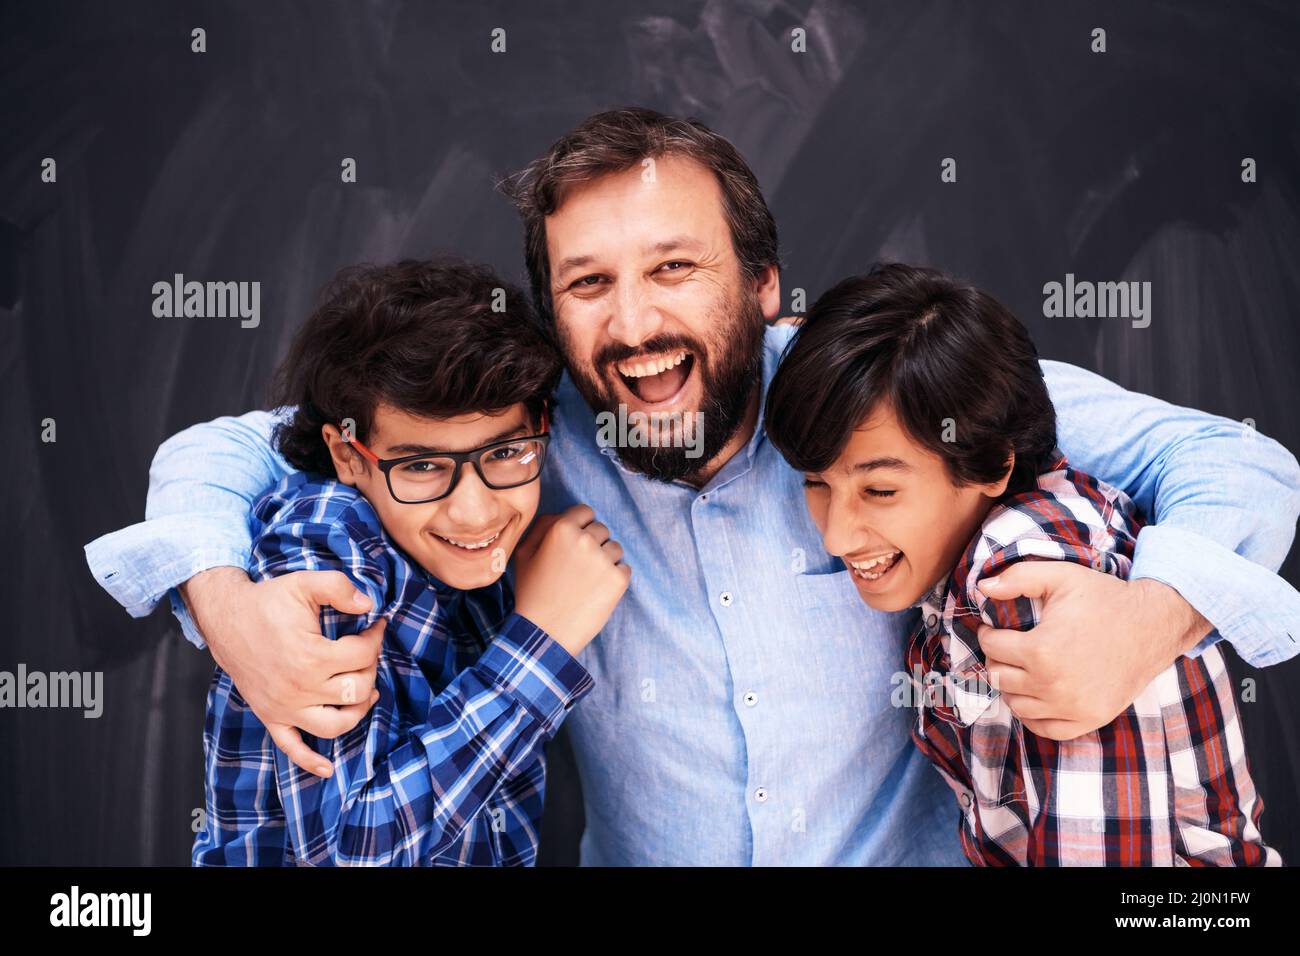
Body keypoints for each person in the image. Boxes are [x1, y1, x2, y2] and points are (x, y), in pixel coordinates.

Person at [86, 108, 1300, 865]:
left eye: (674, 267)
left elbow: (1233, 460)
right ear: (551, 310)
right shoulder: (516, 441)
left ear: (767, 285)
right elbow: (226, 448)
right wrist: (223, 600)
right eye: (589, 282)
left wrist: (1152, 618)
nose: (635, 322)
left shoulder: (875, 391)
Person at [764, 263, 1279, 866]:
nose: (836, 535)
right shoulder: (969, 541)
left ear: (990, 466)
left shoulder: (1023, 578)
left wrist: (1153, 617)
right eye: (816, 484)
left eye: (880, 491)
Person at [193, 258, 628, 865]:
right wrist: (541, 643)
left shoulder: (478, 556)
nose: (475, 513)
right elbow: (355, 850)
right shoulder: (323, 548)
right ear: (349, 456)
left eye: (505, 450)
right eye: (422, 466)